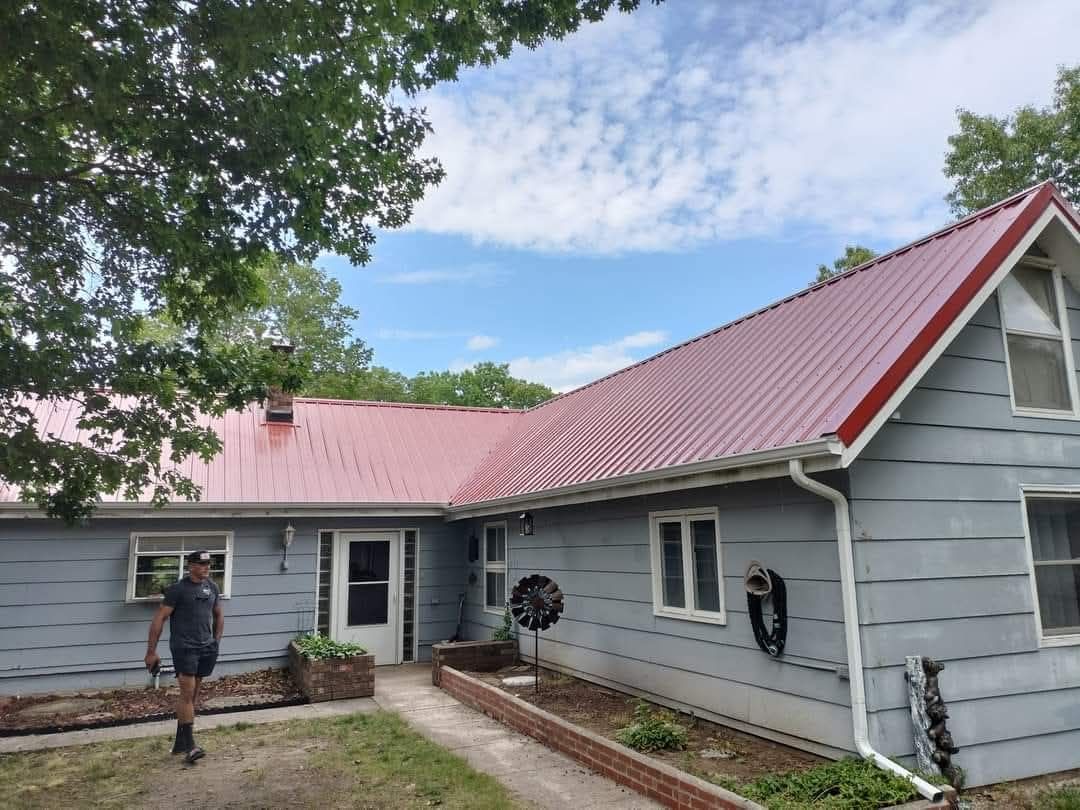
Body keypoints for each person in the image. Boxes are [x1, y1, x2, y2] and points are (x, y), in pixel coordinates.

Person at [144, 549, 224, 764]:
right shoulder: (177, 590)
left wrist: (216, 641)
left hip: (206, 648)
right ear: (190, 566)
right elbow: (159, 619)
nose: (206, 568)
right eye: (201, 564)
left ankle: (180, 743)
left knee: (194, 695)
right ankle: (190, 747)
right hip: (184, 648)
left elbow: (218, 614)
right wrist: (151, 651)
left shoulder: (212, 587)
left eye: (208, 564)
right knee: (187, 694)